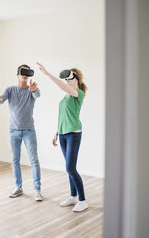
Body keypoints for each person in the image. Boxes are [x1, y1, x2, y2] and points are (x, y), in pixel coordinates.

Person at [37, 62, 88, 212]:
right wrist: (56, 132)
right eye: (65, 79)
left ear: (77, 79)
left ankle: (83, 200)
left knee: (70, 168)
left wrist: (47, 74)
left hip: (74, 134)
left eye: (69, 78)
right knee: (69, 168)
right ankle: (73, 197)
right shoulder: (66, 96)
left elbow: (62, 86)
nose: (67, 81)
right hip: (63, 134)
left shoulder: (78, 93)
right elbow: (63, 116)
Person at [0, 64, 43, 201]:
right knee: (15, 161)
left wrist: (33, 90)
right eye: (22, 72)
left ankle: (37, 190)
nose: (25, 74)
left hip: (29, 131)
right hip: (13, 131)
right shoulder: (10, 90)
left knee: (34, 160)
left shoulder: (32, 89)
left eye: (27, 72)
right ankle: (18, 187)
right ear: (18, 74)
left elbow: (37, 95)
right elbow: (1, 100)